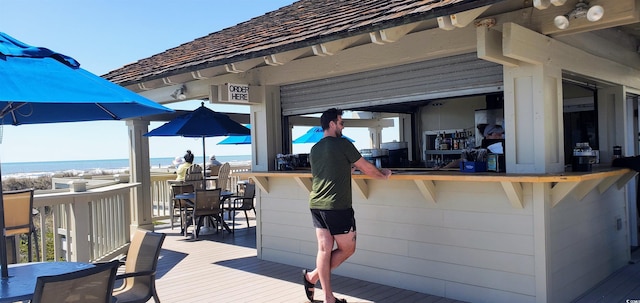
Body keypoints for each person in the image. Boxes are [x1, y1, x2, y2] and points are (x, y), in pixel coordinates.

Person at [302, 108, 392, 303]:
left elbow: (329, 169)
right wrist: (383, 175)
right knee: (348, 249)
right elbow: (366, 167)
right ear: (332, 124)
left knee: (324, 250)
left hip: (316, 204)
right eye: (341, 123)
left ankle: (323, 292)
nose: (343, 127)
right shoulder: (343, 144)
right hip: (337, 205)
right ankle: (313, 280)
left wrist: (346, 168)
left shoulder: (315, 149)